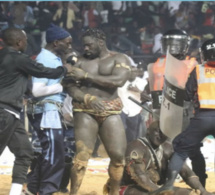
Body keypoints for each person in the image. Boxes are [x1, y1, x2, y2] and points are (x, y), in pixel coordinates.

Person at [0, 27, 73, 195]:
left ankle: (17, 192)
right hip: (5, 111)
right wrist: (64, 70)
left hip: (12, 113)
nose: (28, 43)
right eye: (26, 40)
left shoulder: (5, 57)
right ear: (19, 42)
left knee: (25, 152)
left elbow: (20, 84)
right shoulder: (18, 58)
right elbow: (42, 72)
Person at [63, 28, 131, 195]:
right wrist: (87, 98)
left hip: (111, 109)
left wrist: (86, 76)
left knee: (118, 157)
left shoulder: (119, 58)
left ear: (101, 43)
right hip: (85, 110)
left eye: (89, 45)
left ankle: (114, 192)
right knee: (82, 156)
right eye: (84, 46)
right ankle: (73, 193)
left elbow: (119, 80)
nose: (85, 48)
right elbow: (69, 85)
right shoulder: (78, 60)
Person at [149, 39, 215, 195]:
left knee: (181, 148)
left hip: (202, 118)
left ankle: (169, 185)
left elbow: (186, 95)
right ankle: (202, 183)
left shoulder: (198, 70)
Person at [24, 24, 73, 195]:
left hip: (49, 110)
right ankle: (46, 190)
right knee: (54, 155)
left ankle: (32, 188)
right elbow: (37, 90)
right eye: (67, 43)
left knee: (52, 153)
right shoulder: (46, 59)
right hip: (46, 111)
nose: (70, 46)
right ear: (56, 43)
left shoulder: (52, 58)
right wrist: (62, 86)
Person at [119, 121, 212, 195]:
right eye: (157, 131)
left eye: (164, 133)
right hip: (130, 188)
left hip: (159, 189)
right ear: (148, 130)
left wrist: (202, 191)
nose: (160, 135)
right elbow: (139, 175)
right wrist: (160, 192)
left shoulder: (168, 148)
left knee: (190, 193)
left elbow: (186, 172)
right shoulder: (136, 147)